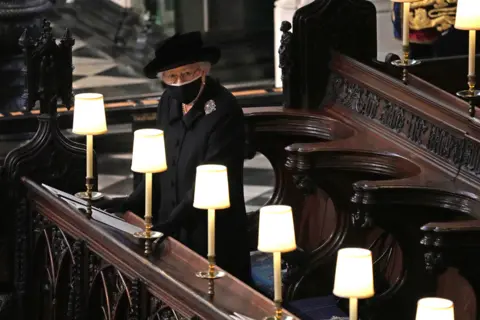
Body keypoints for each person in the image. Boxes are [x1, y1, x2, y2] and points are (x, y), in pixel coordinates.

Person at [104, 32, 252, 284]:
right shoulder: (168, 101)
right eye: (172, 77)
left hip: (208, 228)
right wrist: (130, 202)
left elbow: (213, 176)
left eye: (187, 74)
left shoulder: (223, 109)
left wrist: (172, 224)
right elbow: (160, 163)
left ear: (202, 71)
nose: (179, 81)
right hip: (169, 222)